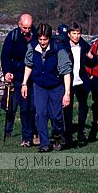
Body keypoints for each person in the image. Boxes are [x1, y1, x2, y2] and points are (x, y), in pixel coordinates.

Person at [21, 22, 72, 152]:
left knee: (56, 116)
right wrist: (24, 83)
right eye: (40, 39)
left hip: (56, 85)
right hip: (39, 86)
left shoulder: (58, 49)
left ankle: (57, 135)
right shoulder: (32, 47)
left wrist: (67, 93)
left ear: (50, 38)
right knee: (40, 113)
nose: (42, 42)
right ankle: (44, 143)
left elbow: (66, 72)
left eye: (45, 39)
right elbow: (28, 65)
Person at [0, 13, 37, 146]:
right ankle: (24, 135)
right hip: (16, 75)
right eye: (25, 28)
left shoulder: (36, 35)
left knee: (32, 107)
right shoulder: (12, 36)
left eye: (29, 28)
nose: (27, 30)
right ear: (19, 24)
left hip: (32, 76)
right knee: (18, 107)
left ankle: (33, 133)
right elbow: (5, 56)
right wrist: (7, 71)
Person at [63, 22, 92, 147]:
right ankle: (68, 134)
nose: (76, 36)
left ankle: (81, 132)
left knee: (83, 107)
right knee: (67, 109)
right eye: (74, 33)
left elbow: (92, 62)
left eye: (78, 33)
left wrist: (91, 58)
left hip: (81, 81)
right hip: (69, 82)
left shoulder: (84, 46)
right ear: (69, 34)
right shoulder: (64, 47)